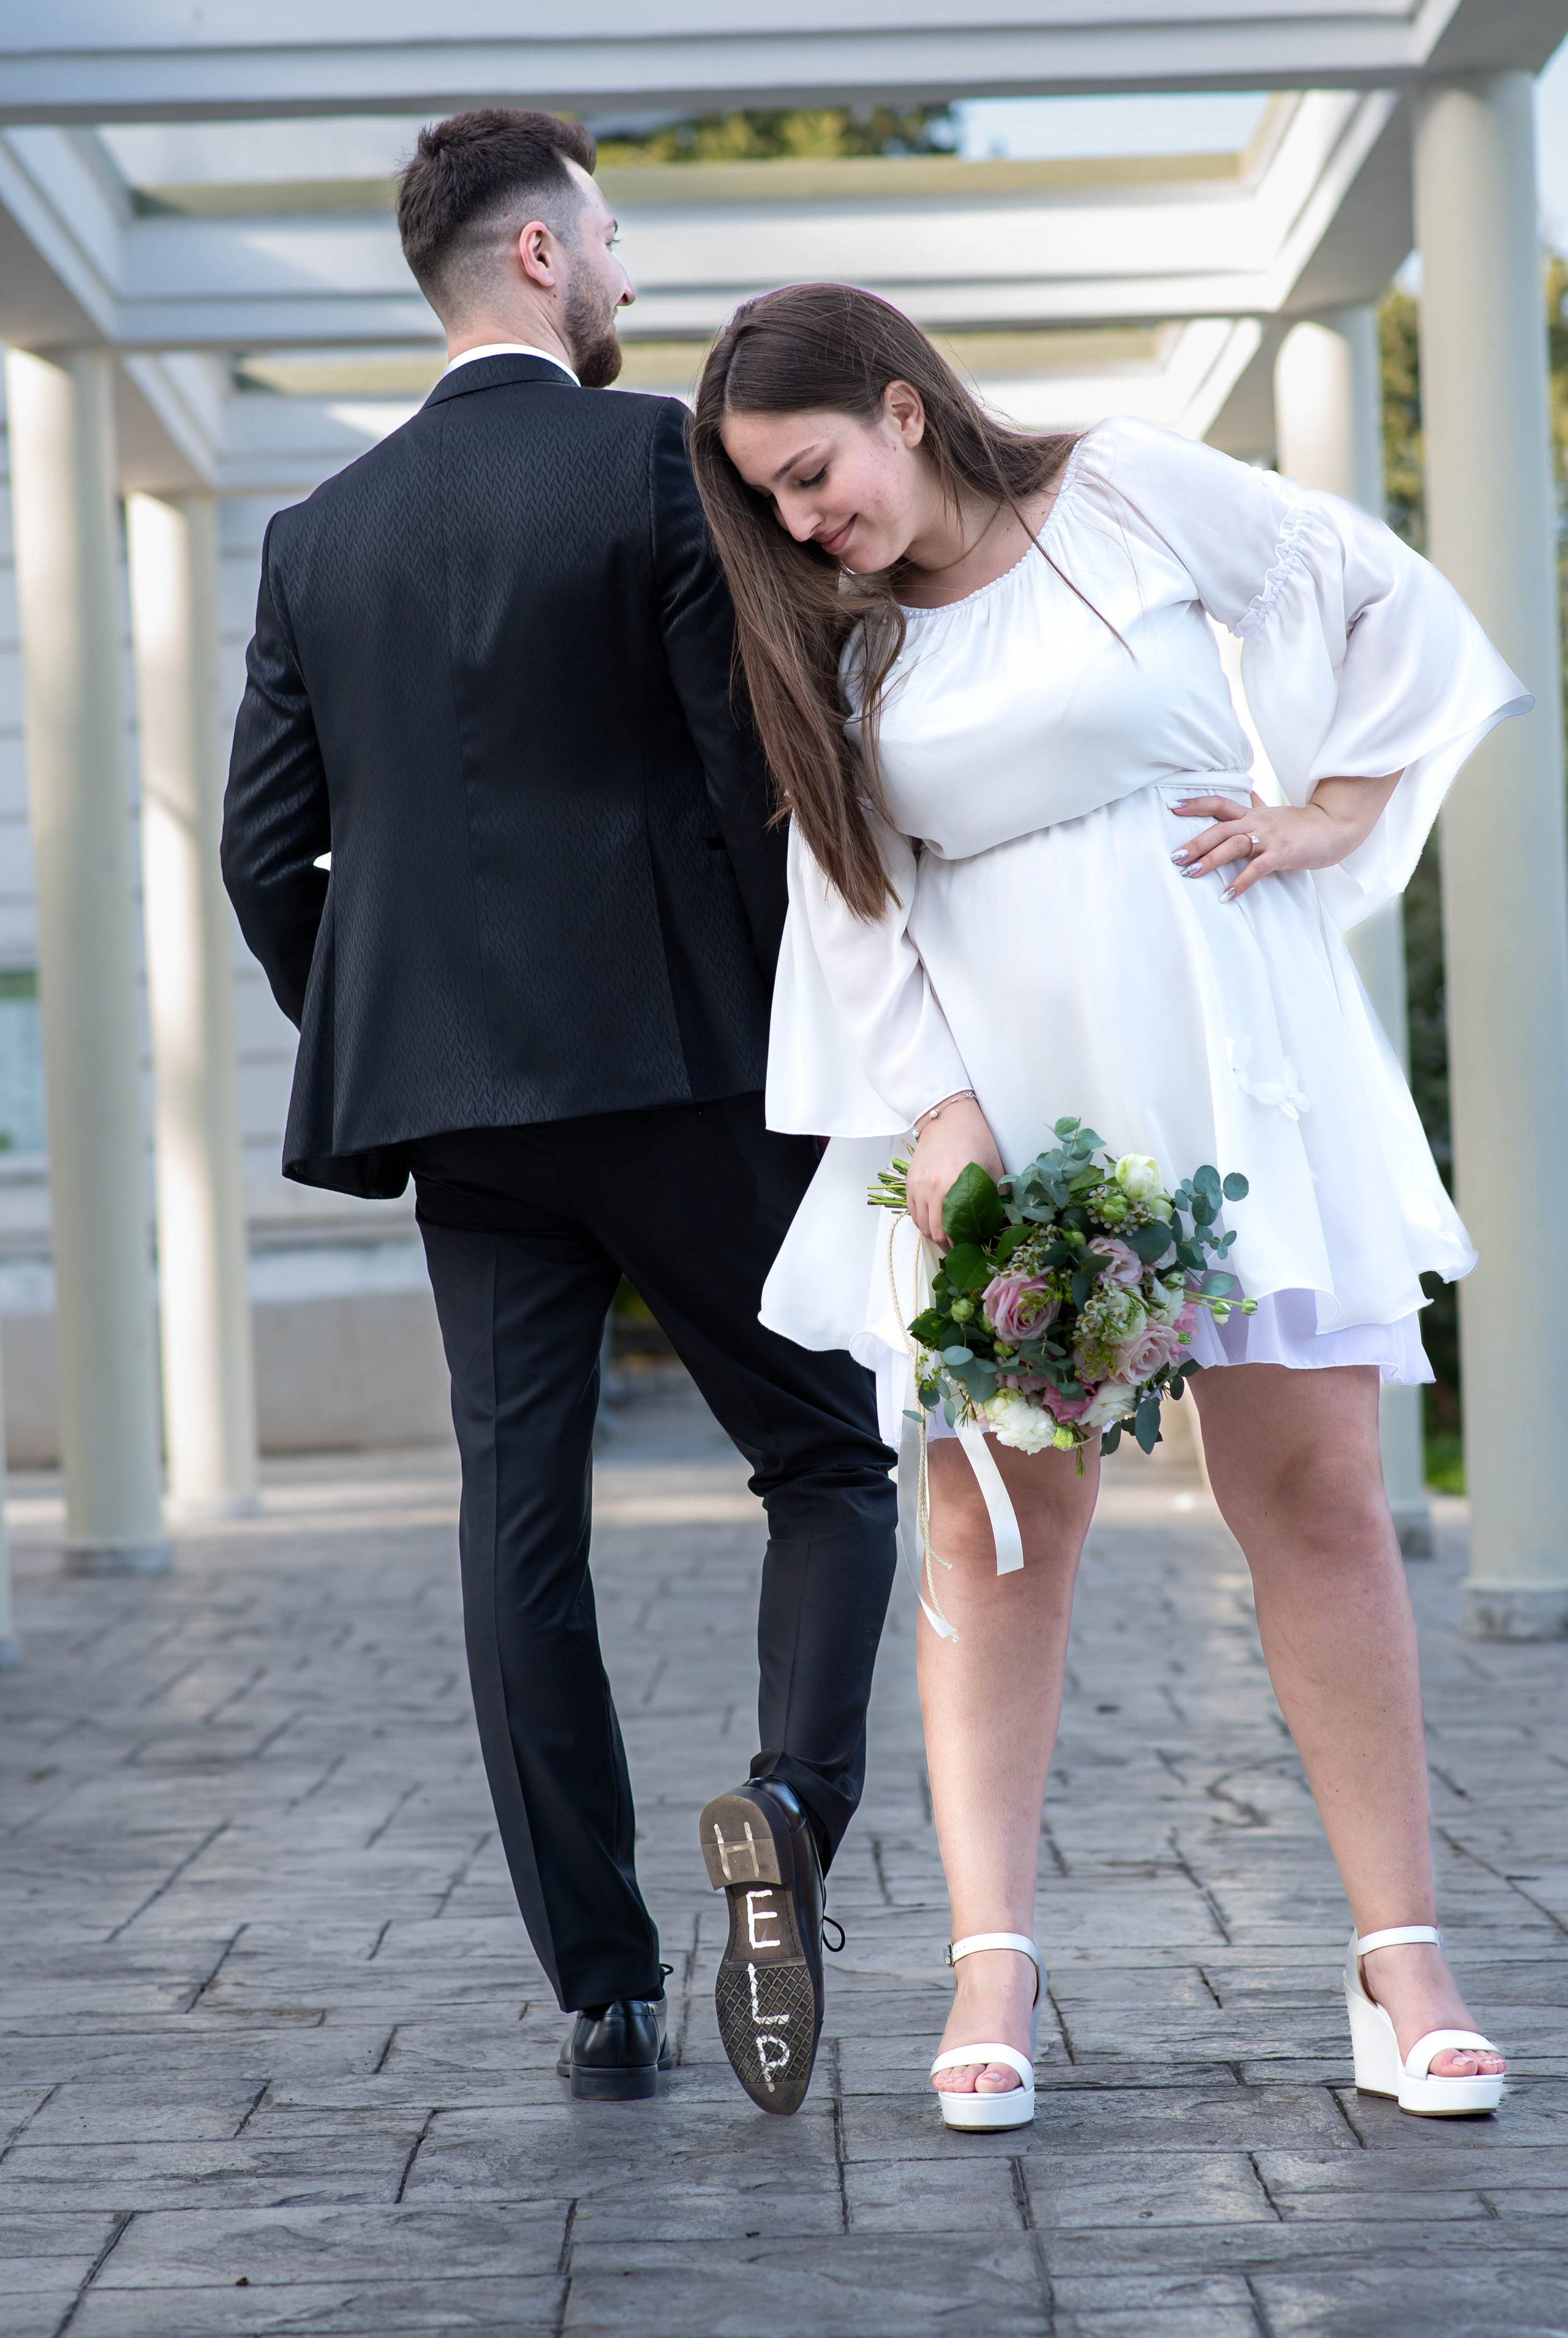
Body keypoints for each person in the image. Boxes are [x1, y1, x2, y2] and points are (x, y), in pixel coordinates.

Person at [688, 281, 1522, 2132]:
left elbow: (1378, 592)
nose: (805, 524)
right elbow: (848, 898)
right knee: (1000, 1524)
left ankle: (1404, 1963)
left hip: (1237, 1061)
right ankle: (995, 1966)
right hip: (1010, 1113)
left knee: (1311, 1496)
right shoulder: (837, 650)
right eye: (770, 503)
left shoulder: (1130, 490)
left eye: (813, 476)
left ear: (906, 408)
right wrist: (944, 1117)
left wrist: (1332, 809)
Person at [222, 117, 897, 2114]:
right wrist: (827, 1053)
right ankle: (787, 1802)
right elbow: (750, 780)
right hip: (687, 1065)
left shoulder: (315, 537)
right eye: (607, 231)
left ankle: (602, 1997)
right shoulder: (653, 462)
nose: (626, 259)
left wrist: (405, 1034)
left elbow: (274, 862)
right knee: (825, 1461)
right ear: (537, 258)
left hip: (465, 1123)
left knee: (516, 1536)